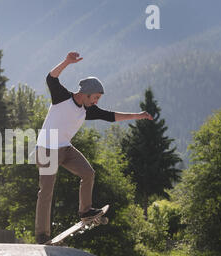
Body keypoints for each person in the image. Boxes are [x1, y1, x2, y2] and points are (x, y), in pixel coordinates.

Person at [35, 52, 153, 244]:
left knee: (88, 173)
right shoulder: (61, 97)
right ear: (86, 93)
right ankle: (42, 235)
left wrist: (138, 116)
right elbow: (51, 78)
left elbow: (112, 116)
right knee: (46, 191)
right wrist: (67, 62)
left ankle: (86, 211)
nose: (96, 101)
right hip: (47, 150)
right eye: (95, 97)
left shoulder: (87, 110)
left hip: (65, 148)